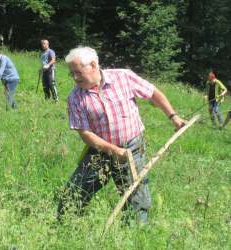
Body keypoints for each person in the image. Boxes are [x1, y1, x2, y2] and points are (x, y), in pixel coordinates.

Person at [57, 46, 186, 224]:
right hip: (100, 150)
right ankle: (63, 225)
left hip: (132, 146)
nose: (75, 78)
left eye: (78, 72)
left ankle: (137, 231)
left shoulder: (123, 77)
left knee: (136, 191)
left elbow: (153, 93)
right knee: (76, 191)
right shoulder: (75, 97)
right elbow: (85, 133)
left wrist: (174, 117)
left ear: (93, 65)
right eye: (72, 73)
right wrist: (111, 150)